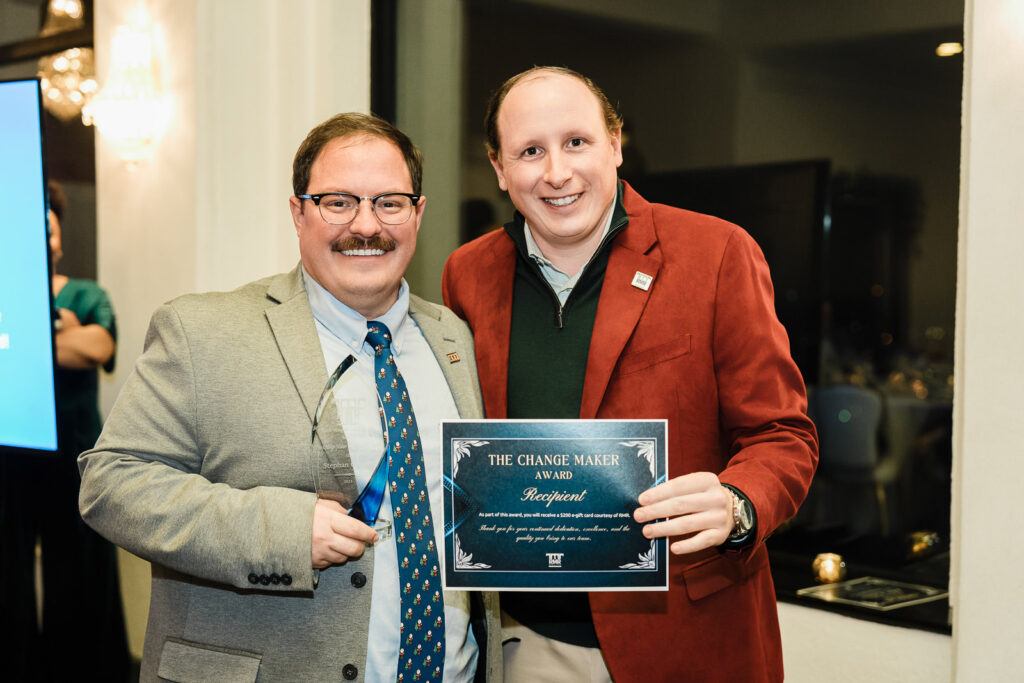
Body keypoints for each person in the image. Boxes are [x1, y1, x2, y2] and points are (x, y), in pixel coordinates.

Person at [79, 113, 502, 682]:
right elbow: (111, 484)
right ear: (298, 213)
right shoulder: (202, 331)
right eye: (337, 202)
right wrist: (280, 531)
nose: (366, 224)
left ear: (418, 213)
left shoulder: (452, 336)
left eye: (389, 202)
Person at [442, 67, 818, 682]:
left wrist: (738, 503)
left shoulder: (716, 253)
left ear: (615, 144)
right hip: (526, 641)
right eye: (530, 151)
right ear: (499, 168)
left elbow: (784, 434)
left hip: (686, 637)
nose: (556, 172)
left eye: (577, 142)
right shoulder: (468, 274)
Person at [0, 179, 130, 681]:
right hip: (13, 453)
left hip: (74, 455)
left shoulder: (86, 292)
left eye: (51, 221)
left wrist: (19, 342)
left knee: (78, 566)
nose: (45, 229)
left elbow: (97, 347)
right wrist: (60, 331)